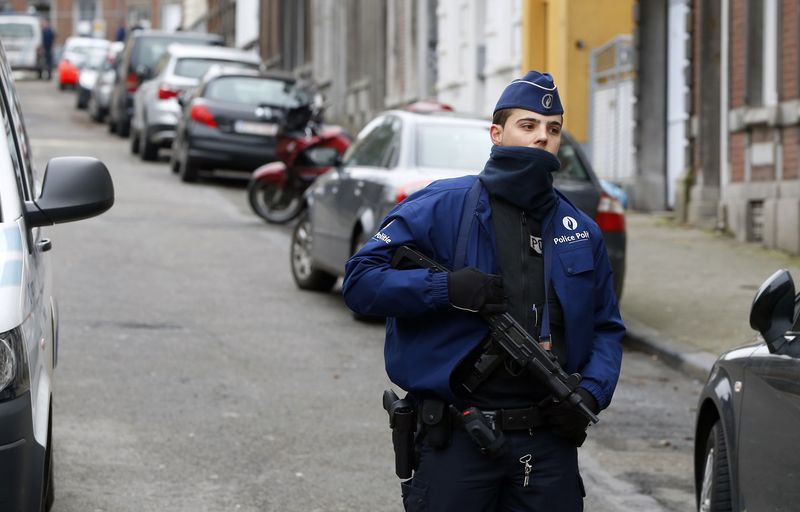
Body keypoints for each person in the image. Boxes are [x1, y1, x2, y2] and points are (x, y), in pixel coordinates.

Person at [342, 71, 625, 511]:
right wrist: (444, 288)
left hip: (547, 440)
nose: (541, 138)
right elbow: (360, 281)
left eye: (552, 130)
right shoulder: (441, 204)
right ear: (497, 133)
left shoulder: (581, 231)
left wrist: (591, 393)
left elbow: (606, 327)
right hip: (458, 437)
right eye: (527, 126)